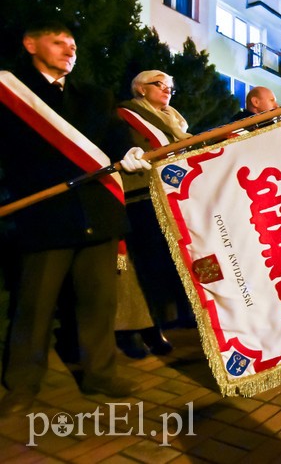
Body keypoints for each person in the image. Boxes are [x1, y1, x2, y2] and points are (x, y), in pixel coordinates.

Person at [0, 21, 150, 415]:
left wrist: (129, 152)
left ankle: (100, 375)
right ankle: (22, 385)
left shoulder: (93, 95)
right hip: (44, 217)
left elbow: (115, 136)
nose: (70, 50)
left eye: (73, 45)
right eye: (58, 42)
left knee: (98, 303)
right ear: (30, 43)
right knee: (34, 307)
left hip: (98, 213)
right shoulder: (11, 95)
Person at [116, 70, 192, 357]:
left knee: (174, 260)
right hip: (142, 195)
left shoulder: (174, 118)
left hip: (172, 195)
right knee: (150, 262)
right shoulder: (126, 114)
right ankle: (149, 325)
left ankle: (174, 315)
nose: (166, 89)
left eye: (170, 85)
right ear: (140, 89)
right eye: (158, 84)